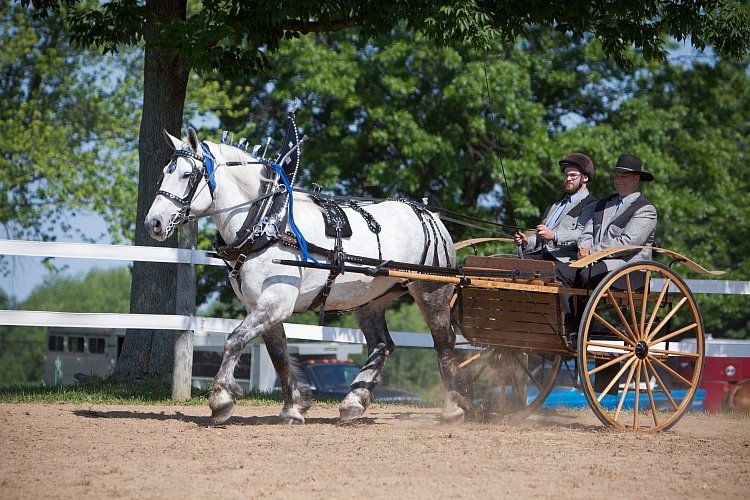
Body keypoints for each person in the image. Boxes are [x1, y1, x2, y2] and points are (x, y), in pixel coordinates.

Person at [558, 153, 657, 291]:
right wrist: (583, 250)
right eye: (616, 176)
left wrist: (592, 252)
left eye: (624, 177)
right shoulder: (603, 204)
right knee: (561, 271)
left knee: (586, 275)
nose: (618, 180)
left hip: (628, 269)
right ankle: (567, 313)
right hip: (594, 261)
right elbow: (587, 232)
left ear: (636, 179)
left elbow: (628, 243)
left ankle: (579, 313)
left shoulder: (645, 209)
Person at [513, 152, 597, 264]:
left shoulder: (591, 204)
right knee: (504, 263)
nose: (568, 179)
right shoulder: (555, 206)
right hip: (540, 255)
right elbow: (541, 237)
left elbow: (582, 234)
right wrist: (526, 241)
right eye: (566, 175)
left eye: (573, 175)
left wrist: (555, 235)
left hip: (564, 260)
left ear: (585, 177)